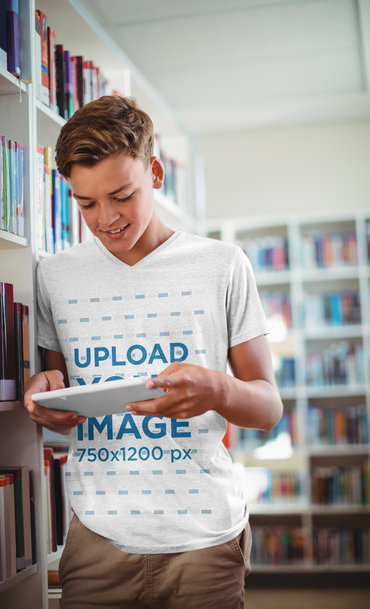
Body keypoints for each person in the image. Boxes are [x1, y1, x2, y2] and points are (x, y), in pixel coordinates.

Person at [24, 95, 283, 609]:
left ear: (156, 173)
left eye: (122, 195)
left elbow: (268, 407)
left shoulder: (223, 264)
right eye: (86, 203)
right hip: (96, 539)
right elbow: (61, 390)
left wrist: (215, 388)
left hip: (204, 540)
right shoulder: (54, 275)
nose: (106, 219)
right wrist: (44, 398)